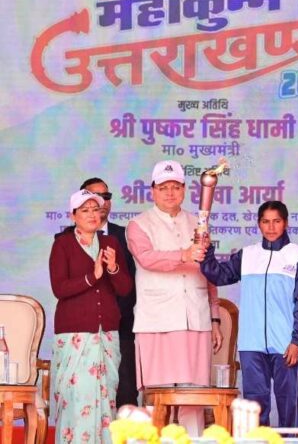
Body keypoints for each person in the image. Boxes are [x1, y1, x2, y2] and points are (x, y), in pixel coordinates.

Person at [126, 160, 223, 436]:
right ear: (152, 190)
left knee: (194, 397)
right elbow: (147, 259)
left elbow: (209, 272)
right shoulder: (138, 225)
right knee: (158, 399)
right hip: (158, 322)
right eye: (163, 187)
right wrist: (184, 254)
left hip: (196, 321)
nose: (170, 193)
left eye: (176, 187)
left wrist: (215, 317)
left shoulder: (198, 223)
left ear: (184, 189)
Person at [199, 200, 298, 427]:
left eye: (276, 221)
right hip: (251, 344)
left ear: (285, 223)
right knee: (255, 406)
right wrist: (207, 249)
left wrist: (296, 341)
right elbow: (217, 275)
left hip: (285, 344)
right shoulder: (248, 255)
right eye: (265, 222)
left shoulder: (297, 256)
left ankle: (290, 441)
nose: (271, 227)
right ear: (259, 224)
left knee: (288, 403)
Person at [49, 189, 132, 443]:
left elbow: (125, 288)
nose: (92, 215)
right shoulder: (62, 244)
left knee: (106, 399)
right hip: (74, 334)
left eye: (96, 209)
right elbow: (59, 288)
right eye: (85, 210)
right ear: (73, 216)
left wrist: (113, 268)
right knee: (76, 398)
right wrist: (92, 277)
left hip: (106, 333)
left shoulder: (110, 243)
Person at [79, 178, 138, 408]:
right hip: (84, 330)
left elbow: (132, 282)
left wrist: (115, 314)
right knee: (87, 396)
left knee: (125, 394)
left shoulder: (126, 236)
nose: (101, 202)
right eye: (95, 197)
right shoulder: (66, 239)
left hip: (121, 328)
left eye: (106, 196)